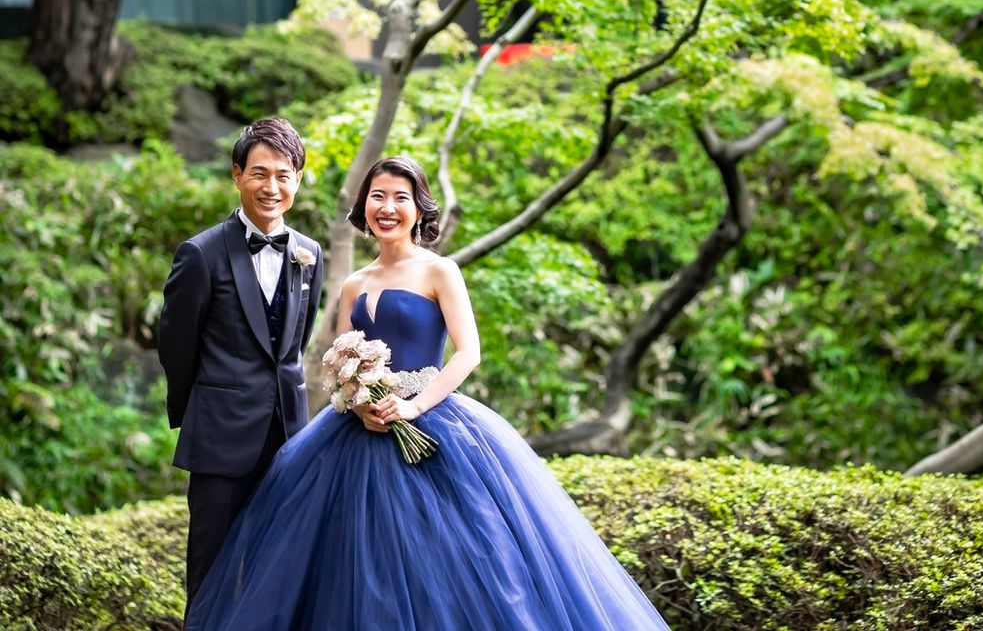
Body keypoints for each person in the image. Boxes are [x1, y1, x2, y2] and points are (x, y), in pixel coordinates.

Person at [184, 155, 670, 631]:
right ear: (364, 205)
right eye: (377, 196)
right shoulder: (353, 284)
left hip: (430, 422)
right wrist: (360, 404)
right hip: (356, 431)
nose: (387, 208)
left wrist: (413, 404)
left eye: (401, 197)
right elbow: (343, 358)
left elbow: (468, 353)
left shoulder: (440, 271)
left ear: (419, 208)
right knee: (349, 562)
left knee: (450, 564)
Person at [158, 117, 324, 611]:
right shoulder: (201, 254)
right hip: (219, 440)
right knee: (211, 576)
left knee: (279, 574)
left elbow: (295, 344)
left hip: (289, 440)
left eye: (283, 175)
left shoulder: (309, 253)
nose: (271, 187)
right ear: (236, 174)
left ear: (297, 179)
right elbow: (176, 347)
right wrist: (202, 413)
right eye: (259, 173)